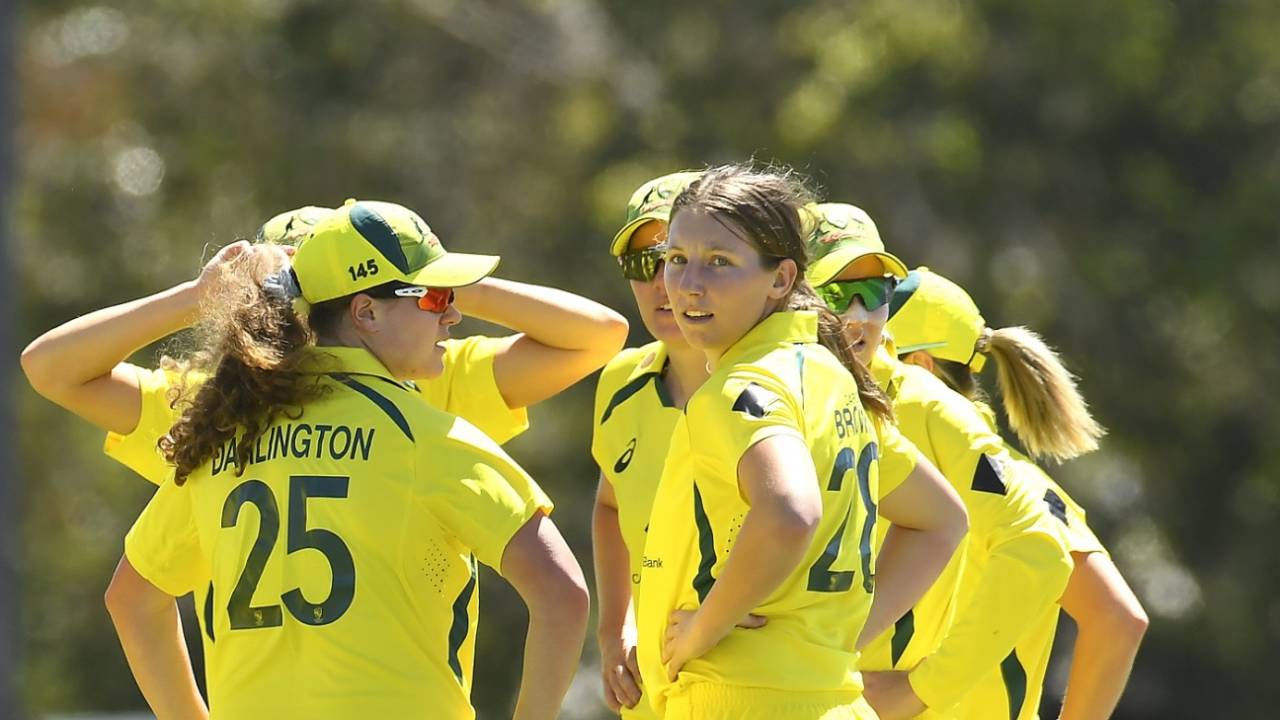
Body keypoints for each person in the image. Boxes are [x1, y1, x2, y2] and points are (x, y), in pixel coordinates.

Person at [21, 200, 592, 719]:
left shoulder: (223, 435)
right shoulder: (424, 433)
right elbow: (563, 592)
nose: (452, 315)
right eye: (435, 297)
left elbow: (131, 597)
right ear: (363, 312)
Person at [635, 165, 968, 720]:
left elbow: (789, 512)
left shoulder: (741, 385)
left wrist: (703, 629)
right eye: (675, 259)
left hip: (739, 699)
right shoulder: (832, 374)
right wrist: (825, 638)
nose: (689, 283)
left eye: (720, 262)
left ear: (781, 279)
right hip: (831, 700)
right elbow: (940, 520)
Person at [98, 201, 630, 488]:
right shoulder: (215, 402)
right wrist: (201, 298)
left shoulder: (432, 371)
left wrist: (431, 278)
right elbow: (49, 368)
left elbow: (597, 335)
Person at [804, 204, 1078, 720]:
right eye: (839, 293)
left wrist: (921, 690)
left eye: (877, 293)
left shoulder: (924, 405)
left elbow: (1040, 550)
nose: (860, 315)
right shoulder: (765, 393)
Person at [885, 267, 1148, 720]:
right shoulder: (1027, 484)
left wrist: (918, 690)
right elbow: (1118, 620)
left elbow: (1119, 619)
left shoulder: (921, 468)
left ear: (920, 367)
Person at [591, 171, 707, 718]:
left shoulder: (783, 379)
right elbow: (610, 504)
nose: (667, 283)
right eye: (647, 264)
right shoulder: (620, 381)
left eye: (682, 259)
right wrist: (616, 631)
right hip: (654, 696)